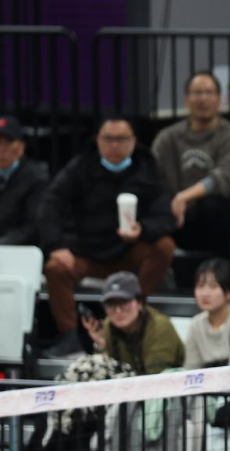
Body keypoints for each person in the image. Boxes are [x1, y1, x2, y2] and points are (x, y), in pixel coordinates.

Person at [40, 117, 176, 357]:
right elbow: (51, 204)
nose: (115, 145)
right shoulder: (81, 166)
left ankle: (137, 312)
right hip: (87, 253)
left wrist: (142, 230)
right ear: (98, 141)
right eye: (108, 139)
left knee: (164, 246)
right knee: (55, 267)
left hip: (129, 252)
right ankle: (69, 336)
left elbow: (166, 217)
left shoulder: (147, 168)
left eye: (121, 139)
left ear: (133, 141)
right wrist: (56, 246)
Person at [152, 71, 230, 257]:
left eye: (209, 92)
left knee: (214, 204)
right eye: (197, 92)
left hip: (221, 218)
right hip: (177, 216)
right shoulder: (167, 138)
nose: (203, 98)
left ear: (219, 99)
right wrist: (174, 202)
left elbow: (226, 175)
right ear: (186, 100)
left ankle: (220, 269)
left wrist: (185, 196)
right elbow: (154, 176)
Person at [81, 271, 184, 375]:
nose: (118, 311)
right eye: (111, 304)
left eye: (124, 302)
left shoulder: (159, 327)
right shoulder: (108, 326)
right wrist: (101, 345)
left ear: (140, 303)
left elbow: (155, 377)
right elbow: (103, 373)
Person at [0, 115, 48, 245]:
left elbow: (34, 225)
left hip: (18, 248)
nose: (2, 149)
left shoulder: (36, 178)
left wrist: (3, 243)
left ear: (21, 147)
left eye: (8, 142)